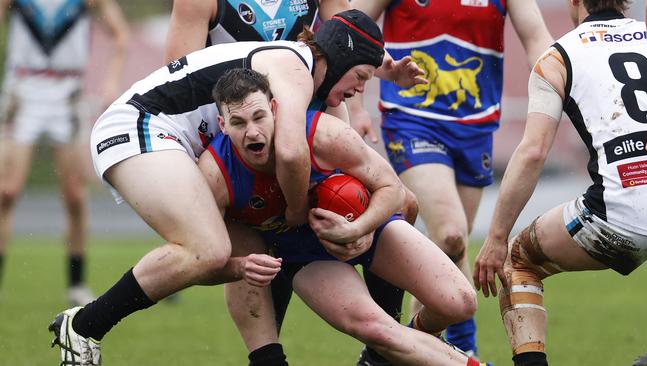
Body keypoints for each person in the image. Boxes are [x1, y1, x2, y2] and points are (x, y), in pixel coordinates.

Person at [47, 9, 415, 365]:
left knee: (256, 246)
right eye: (362, 77)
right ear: (339, 61)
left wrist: (364, 224)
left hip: (177, 138)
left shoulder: (314, 75)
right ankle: (84, 325)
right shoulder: (297, 69)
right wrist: (297, 213)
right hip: (140, 124)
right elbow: (289, 152)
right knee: (209, 248)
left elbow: (390, 189)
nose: (361, 89)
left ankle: (357, 355)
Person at [163, 1, 422, 362]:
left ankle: (381, 353)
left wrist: (382, 67)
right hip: (242, 135)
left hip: (312, 113)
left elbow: (346, 37)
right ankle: (268, 356)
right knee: (257, 243)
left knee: (399, 203)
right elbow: (181, 79)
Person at [199, 67, 490, 366]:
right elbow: (199, 258)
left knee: (460, 303)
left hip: (366, 229)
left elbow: (393, 190)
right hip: (306, 256)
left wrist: (358, 229)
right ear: (222, 124)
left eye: (259, 117)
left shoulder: (323, 133)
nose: (252, 132)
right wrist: (241, 265)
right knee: (379, 329)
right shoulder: (215, 174)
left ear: (274, 109)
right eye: (238, 122)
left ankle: (385, 354)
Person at [348, 0, 554, 362]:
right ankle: (461, 346)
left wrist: (563, 84)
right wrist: (354, 106)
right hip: (412, 120)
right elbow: (351, 29)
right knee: (452, 234)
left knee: (448, 253)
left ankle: (404, 351)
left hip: (476, 127)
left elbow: (538, 39)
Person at [473, 1, 647, 365]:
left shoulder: (558, 57)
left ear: (575, 3)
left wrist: (496, 238)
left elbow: (533, 152)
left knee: (518, 261)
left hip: (618, 216)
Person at [0, 0, 128, 305]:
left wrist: (111, 83)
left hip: (67, 93)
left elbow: (120, 34)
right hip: (22, 88)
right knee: (7, 192)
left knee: (74, 194)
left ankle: (76, 283)